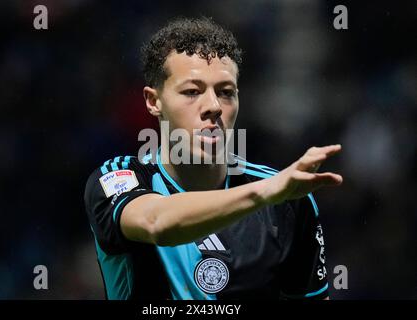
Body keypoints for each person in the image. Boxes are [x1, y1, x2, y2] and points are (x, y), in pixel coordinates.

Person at [84, 17, 343, 300]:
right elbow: (156, 223)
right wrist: (266, 194)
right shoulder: (118, 177)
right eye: (192, 92)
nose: (214, 106)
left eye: (226, 92)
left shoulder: (289, 200)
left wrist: (273, 193)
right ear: (153, 101)